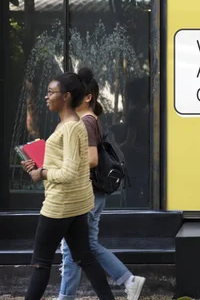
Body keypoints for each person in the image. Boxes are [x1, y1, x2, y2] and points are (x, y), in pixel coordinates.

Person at [21, 72, 115, 300]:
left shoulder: (72, 127)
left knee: (40, 264)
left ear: (66, 96)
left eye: (51, 92)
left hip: (60, 205)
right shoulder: (69, 124)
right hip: (75, 204)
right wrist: (40, 163)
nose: (46, 96)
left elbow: (70, 172)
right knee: (85, 257)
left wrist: (41, 173)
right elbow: (69, 163)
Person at [57, 68, 146, 300]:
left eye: (73, 94)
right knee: (88, 245)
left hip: (86, 193)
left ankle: (65, 297)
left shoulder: (86, 122)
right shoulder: (90, 119)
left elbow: (93, 159)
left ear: (87, 97)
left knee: (71, 249)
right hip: (93, 193)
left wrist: (62, 165)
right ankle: (129, 280)